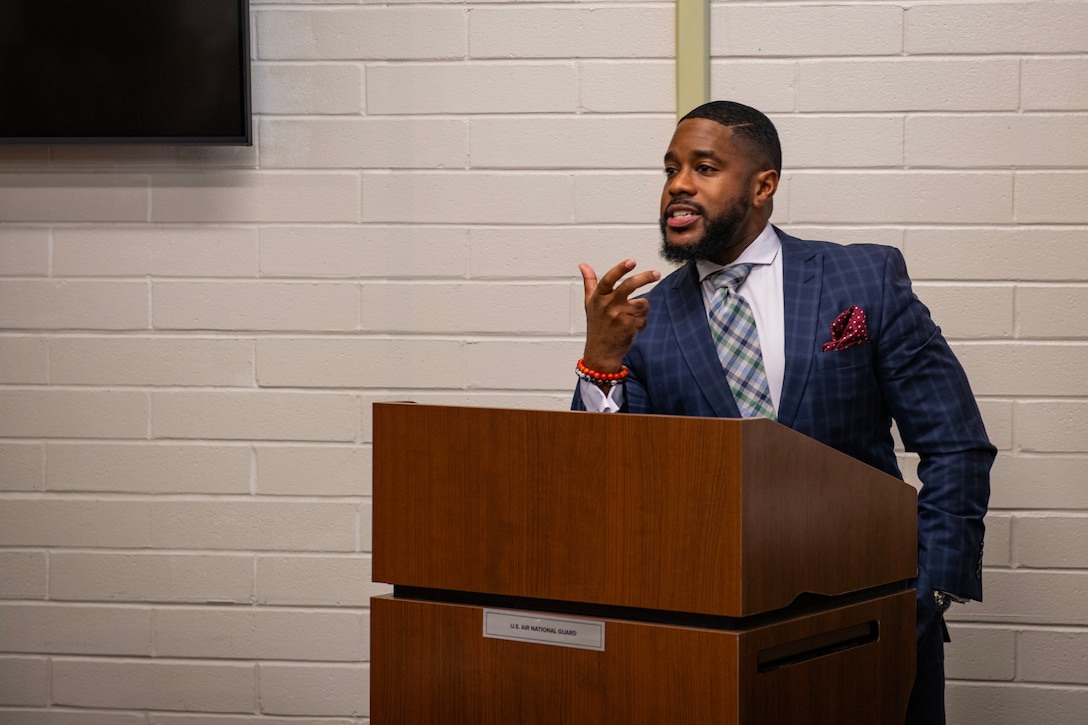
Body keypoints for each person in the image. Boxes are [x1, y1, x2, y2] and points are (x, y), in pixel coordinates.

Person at [572, 100, 994, 725]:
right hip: (715, 633)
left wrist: (926, 591)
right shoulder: (645, 322)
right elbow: (601, 486)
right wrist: (600, 361)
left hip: (872, 619)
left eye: (704, 167)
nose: (678, 185)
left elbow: (954, 441)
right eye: (670, 169)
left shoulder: (862, 279)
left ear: (762, 185)